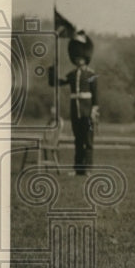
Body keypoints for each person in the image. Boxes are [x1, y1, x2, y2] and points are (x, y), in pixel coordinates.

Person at [47, 30, 99, 175]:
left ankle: (87, 168)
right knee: (78, 140)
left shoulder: (91, 74)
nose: (78, 60)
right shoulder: (71, 75)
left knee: (88, 141)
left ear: (86, 57)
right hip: (75, 111)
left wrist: (94, 111)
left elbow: (95, 96)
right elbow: (54, 83)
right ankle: (78, 169)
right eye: (76, 57)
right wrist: (53, 69)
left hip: (87, 112)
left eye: (81, 57)